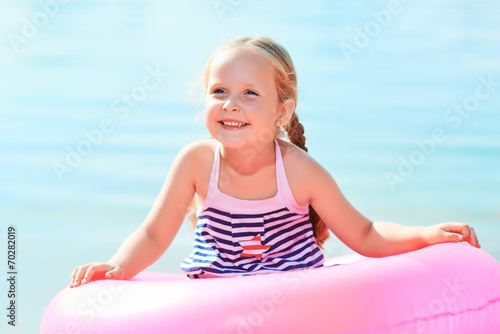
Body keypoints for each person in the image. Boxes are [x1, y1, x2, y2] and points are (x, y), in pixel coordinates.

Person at [70, 36, 480, 287]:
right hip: (215, 301)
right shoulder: (196, 163)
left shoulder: (299, 171)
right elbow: (156, 234)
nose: (231, 104)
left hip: (292, 300)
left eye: (251, 93)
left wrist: (424, 234)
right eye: (219, 91)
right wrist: (118, 267)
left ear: (282, 111)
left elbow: (366, 233)